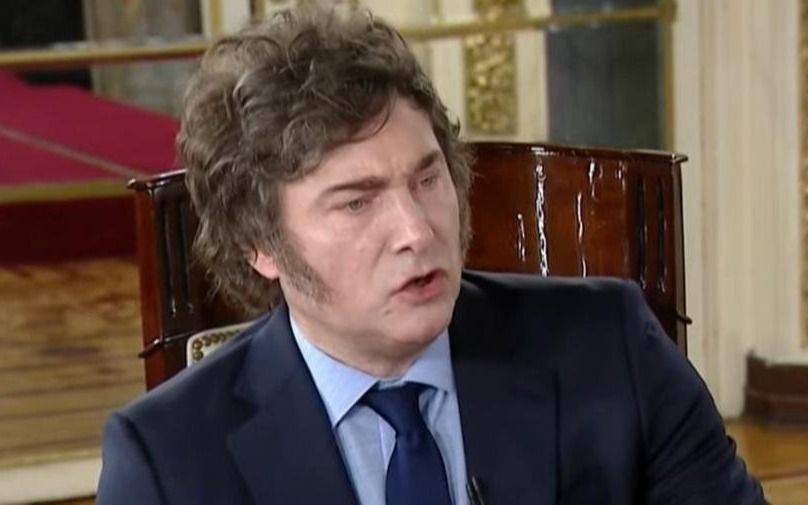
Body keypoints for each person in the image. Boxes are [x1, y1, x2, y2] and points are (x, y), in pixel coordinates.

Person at [96, 5, 765, 505]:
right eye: (357, 203)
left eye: (427, 179)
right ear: (260, 243)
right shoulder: (167, 458)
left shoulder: (610, 350)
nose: (416, 231)